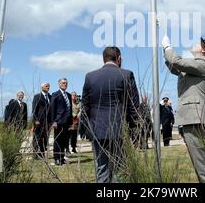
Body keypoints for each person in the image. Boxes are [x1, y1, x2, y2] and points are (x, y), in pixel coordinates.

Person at [163, 35, 205, 183]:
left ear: (204, 49)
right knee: (202, 166)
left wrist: (167, 48)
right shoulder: (197, 66)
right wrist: (166, 55)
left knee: (204, 168)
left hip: (196, 118)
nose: (195, 44)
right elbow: (176, 67)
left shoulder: (204, 63)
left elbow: (177, 62)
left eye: (199, 43)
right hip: (193, 118)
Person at [81, 46, 139, 183]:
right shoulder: (126, 74)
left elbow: (85, 107)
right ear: (118, 59)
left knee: (101, 168)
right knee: (120, 169)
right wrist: (134, 128)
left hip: (97, 130)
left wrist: (86, 130)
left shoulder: (90, 77)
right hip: (119, 130)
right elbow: (133, 106)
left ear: (103, 59)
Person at [50, 78, 72, 166]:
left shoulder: (68, 95)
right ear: (59, 84)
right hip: (58, 122)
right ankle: (57, 159)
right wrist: (53, 121)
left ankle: (62, 158)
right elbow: (52, 109)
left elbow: (69, 109)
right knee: (57, 140)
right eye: (63, 83)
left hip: (67, 122)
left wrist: (70, 122)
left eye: (66, 83)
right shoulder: (55, 94)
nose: (65, 84)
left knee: (64, 141)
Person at [32, 83, 51, 159]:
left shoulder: (50, 96)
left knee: (45, 138)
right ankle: (36, 154)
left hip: (47, 121)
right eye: (46, 86)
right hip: (39, 121)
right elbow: (34, 109)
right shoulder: (37, 96)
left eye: (49, 86)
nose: (48, 87)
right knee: (37, 138)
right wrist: (36, 119)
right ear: (42, 87)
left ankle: (42, 154)